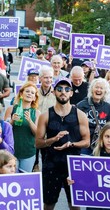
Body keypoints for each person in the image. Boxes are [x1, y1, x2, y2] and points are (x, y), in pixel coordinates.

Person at [35, 77, 90, 210]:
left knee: (75, 204)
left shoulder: (80, 115)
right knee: (48, 204)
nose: (63, 92)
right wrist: (53, 139)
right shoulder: (45, 115)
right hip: (51, 165)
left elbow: (87, 142)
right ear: (54, 92)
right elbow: (38, 143)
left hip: (73, 166)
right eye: (59, 89)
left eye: (67, 89)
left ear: (71, 93)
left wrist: (71, 144)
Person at [4, 82, 40, 172]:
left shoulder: (36, 113)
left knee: (24, 179)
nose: (29, 94)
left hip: (28, 153)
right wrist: (12, 121)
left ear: (34, 98)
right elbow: (4, 131)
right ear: (21, 93)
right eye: (27, 91)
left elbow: (37, 134)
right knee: (10, 178)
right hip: (11, 152)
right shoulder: (11, 109)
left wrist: (30, 121)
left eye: (32, 93)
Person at [77, 78, 110, 155]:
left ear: (105, 91)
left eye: (101, 88)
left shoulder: (107, 107)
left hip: (100, 145)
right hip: (84, 145)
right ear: (91, 89)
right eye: (96, 87)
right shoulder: (81, 105)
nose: (99, 90)